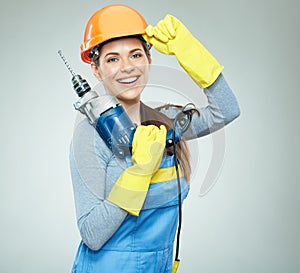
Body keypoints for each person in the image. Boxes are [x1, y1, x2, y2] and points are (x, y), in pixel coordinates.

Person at [69, 4, 240, 273]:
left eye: (135, 55)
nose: (127, 68)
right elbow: (92, 233)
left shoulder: (166, 123)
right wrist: (139, 173)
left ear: (149, 59)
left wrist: (191, 53)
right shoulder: (90, 138)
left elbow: (227, 109)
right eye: (113, 59)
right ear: (97, 71)